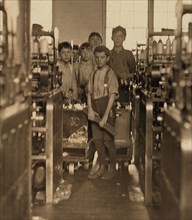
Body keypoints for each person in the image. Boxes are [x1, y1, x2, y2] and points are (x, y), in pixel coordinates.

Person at [87, 45, 119, 180]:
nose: (99, 60)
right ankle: (102, 167)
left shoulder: (110, 74)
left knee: (108, 141)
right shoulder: (93, 73)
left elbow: (112, 95)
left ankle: (112, 169)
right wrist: (90, 109)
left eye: (102, 58)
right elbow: (89, 93)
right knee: (98, 140)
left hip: (107, 109)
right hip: (95, 108)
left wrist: (105, 116)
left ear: (107, 58)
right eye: (97, 57)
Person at [109, 26, 136, 103]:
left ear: (124, 38)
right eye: (115, 36)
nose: (118, 39)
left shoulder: (128, 54)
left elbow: (134, 73)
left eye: (120, 36)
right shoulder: (108, 54)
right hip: (109, 90)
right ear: (112, 38)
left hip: (124, 90)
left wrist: (126, 76)